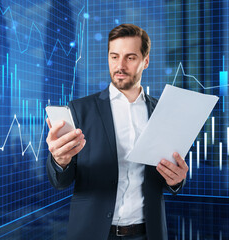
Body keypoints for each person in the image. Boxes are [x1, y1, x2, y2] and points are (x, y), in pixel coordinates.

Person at [45, 24, 189, 240]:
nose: (120, 65)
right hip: (92, 233)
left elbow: (169, 173)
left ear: (145, 61)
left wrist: (176, 180)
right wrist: (59, 161)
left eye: (130, 58)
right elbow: (61, 181)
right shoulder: (79, 110)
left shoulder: (163, 112)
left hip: (148, 234)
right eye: (114, 57)